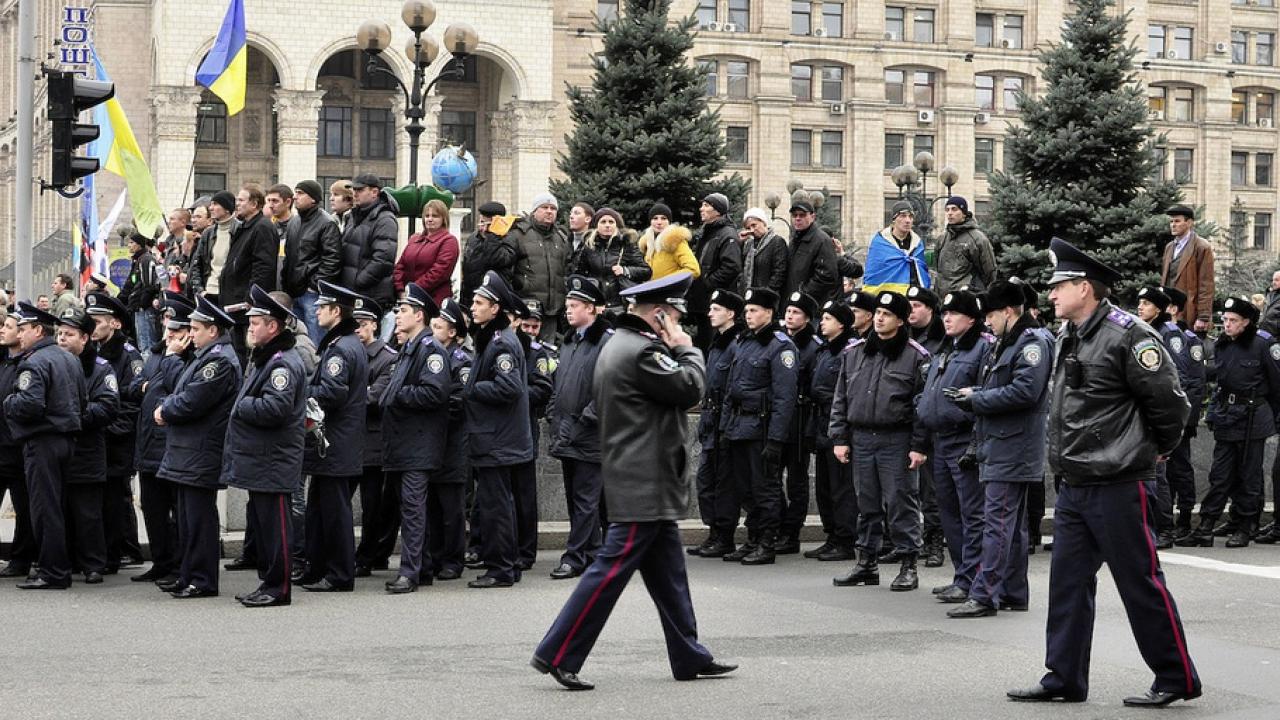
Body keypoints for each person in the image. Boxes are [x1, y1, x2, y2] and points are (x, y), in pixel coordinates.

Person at [1008, 237, 1198, 708]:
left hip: (1119, 481)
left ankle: (1177, 678)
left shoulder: (1129, 334)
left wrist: (1155, 450)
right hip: (1075, 483)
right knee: (1068, 584)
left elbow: (1171, 405)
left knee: (1140, 582)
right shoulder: (1070, 334)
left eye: (1058, 287)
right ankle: (1064, 678)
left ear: (1084, 287)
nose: (1050, 295)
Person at [531, 271, 737, 691]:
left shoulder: (621, 344)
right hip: (643, 479)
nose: (680, 324)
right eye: (676, 316)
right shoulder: (643, 351)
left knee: (669, 574)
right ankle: (557, 652)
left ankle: (688, 654)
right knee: (607, 572)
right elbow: (691, 387)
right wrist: (687, 348)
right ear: (659, 315)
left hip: (641, 476)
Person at [946, 280, 1052, 619]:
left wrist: (977, 399)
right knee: (1011, 525)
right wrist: (973, 392)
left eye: (990, 315)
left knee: (997, 524)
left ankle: (984, 594)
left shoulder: (1032, 342)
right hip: (1003, 443)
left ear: (1008, 311)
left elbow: (1025, 391)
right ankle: (1012, 591)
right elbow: (1000, 386)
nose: (986, 322)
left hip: (1013, 446)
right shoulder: (1008, 341)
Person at [830, 291, 929, 591]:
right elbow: (841, 399)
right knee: (867, 504)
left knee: (901, 502)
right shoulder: (855, 352)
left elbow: (922, 406)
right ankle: (866, 563)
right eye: (877, 313)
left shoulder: (916, 356)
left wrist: (919, 445)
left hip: (896, 439)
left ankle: (908, 563)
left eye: (887, 314)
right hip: (861, 438)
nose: (880, 318)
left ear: (900, 320)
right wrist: (840, 437)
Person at [222, 285, 308, 608]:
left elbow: (275, 409)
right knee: (266, 527)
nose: (250, 326)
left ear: (273, 326)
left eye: (256, 321)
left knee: (277, 529)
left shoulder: (283, 363)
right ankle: (268, 582)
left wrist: (242, 405)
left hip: (274, 459)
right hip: (262, 460)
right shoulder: (267, 358)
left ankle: (279, 588)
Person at [155, 294, 241, 599]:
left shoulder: (218, 361)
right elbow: (183, 390)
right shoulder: (205, 356)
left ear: (212, 330)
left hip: (200, 451)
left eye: (195, 328)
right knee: (187, 520)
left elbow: (193, 400)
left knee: (199, 520)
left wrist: (165, 409)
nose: (190, 333)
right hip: (188, 451)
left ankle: (201, 579)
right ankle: (188, 574)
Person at [1178, 295, 1280, 548]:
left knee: (1248, 476)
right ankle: (1206, 526)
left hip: (1253, 419)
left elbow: (1277, 385)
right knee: (1220, 475)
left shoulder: (1263, 344)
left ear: (1246, 322)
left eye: (1233, 320)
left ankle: (1245, 526)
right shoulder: (1222, 345)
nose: (1227, 325)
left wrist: (1273, 417)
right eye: (1225, 320)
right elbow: (1218, 379)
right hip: (1227, 416)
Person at [914, 290, 990, 602]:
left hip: (964, 441)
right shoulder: (949, 349)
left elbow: (984, 395)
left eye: (954, 313)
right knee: (949, 512)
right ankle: (961, 575)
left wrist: (974, 444)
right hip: (939, 441)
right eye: (944, 313)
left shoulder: (982, 348)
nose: (946, 318)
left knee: (971, 513)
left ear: (971, 318)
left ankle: (973, 578)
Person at [378, 283, 453, 593]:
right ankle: (420, 567)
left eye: (404, 310)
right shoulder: (410, 347)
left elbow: (436, 392)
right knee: (407, 507)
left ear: (419, 315)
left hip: (417, 445)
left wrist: (398, 394)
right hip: (403, 444)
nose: (398, 315)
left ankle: (410, 572)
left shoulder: (430, 349)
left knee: (413, 510)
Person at [5, 302, 86, 589]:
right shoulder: (69, 359)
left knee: (45, 508)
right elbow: (82, 401)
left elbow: (29, 404)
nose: (21, 335)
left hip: (42, 442)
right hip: (66, 440)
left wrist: (8, 401)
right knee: (56, 505)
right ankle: (57, 567)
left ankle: (53, 571)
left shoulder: (34, 362)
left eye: (24, 329)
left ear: (38, 330)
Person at [297, 282, 369, 593]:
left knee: (335, 513)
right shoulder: (341, 342)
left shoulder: (342, 347)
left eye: (322, 306)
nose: (315, 310)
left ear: (336, 312)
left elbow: (332, 393)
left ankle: (339, 573)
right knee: (318, 510)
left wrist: (302, 394)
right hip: (334, 444)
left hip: (337, 443)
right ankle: (317, 567)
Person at [465, 271, 534, 587]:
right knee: (498, 505)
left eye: (479, 303)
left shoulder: (501, 342)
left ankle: (502, 568)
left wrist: (472, 387)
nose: (473, 307)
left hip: (497, 440)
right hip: (493, 438)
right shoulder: (491, 338)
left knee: (497, 507)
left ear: (495, 308)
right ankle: (506, 565)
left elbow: (510, 388)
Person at [720, 287, 797, 566]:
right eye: (747, 310)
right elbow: (731, 388)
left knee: (765, 488)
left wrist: (776, 439)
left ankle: (767, 542)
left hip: (762, 428)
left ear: (769, 312)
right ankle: (752, 538)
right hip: (740, 426)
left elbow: (785, 397)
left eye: (754, 310)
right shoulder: (745, 341)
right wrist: (725, 428)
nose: (748, 315)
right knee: (745, 488)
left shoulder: (780, 346)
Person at [547, 276, 613, 579]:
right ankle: (593, 552)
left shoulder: (605, 341)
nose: (568, 311)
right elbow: (561, 383)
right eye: (568, 305)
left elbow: (608, 390)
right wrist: (553, 412)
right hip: (567, 430)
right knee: (578, 499)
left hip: (589, 434)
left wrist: (586, 418)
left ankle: (574, 557)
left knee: (586, 500)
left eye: (574, 306)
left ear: (591, 308)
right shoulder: (572, 340)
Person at [128, 292, 194, 586]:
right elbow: (133, 386)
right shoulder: (155, 353)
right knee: (153, 511)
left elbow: (177, 387)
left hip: (168, 446)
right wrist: (144, 385)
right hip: (147, 446)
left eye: (176, 330)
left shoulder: (183, 358)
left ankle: (179, 566)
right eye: (167, 327)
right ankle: (161, 562)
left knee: (175, 513)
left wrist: (173, 358)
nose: (169, 335)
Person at [1135, 287, 1205, 549]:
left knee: (1170, 472)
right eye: (1139, 302)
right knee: (1158, 473)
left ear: (1162, 309)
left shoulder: (1170, 334)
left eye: (1146, 303)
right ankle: (1159, 525)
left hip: (1169, 416)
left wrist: (1178, 420)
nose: (1140, 307)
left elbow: (1178, 380)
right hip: (1153, 414)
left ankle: (1172, 525)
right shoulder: (1147, 330)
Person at [56, 306, 120, 585]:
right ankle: (67, 561)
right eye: (59, 334)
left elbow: (108, 407)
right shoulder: (52, 363)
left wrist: (72, 416)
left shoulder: (100, 369)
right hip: (58, 452)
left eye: (68, 334)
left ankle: (94, 564)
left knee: (88, 514)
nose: (61, 339)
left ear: (85, 338)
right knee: (62, 511)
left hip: (86, 452)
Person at [85, 292, 145, 573]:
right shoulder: (95, 350)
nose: (92, 326)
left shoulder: (128, 355)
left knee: (117, 496)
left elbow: (131, 403)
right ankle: (118, 549)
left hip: (118, 437)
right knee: (107, 496)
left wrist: (111, 429)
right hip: (102, 435)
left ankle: (125, 550)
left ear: (115, 324)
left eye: (97, 322)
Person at [688, 289, 744, 559]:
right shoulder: (718, 342)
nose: (709, 313)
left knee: (724, 484)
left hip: (725, 422)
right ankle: (714, 532)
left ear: (730, 314)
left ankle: (725, 535)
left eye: (716, 309)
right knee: (706, 481)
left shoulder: (736, 344)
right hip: (711, 420)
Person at [805, 300, 859, 562]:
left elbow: (847, 393)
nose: (822, 322)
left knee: (841, 487)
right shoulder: (825, 350)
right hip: (822, 424)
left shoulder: (850, 351)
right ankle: (832, 536)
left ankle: (845, 539)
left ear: (841, 323)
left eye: (827, 318)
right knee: (825, 487)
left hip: (838, 426)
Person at [351, 297, 397, 578]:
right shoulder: (350, 354)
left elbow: (373, 399)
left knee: (373, 506)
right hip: (351, 441)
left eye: (362, 324)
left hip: (373, 443)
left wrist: (348, 396)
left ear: (374, 326)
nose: (357, 329)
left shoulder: (387, 358)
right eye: (353, 325)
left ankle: (369, 555)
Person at [510, 300, 555, 573]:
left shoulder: (536, 353)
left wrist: (514, 395)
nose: (528, 330)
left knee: (524, 493)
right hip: (503, 430)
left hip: (525, 427)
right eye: (524, 324)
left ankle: (525, 551)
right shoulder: (502, 344)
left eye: (533, 326)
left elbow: (543, 389)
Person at [429, 297, 472, 580]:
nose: (434, 330)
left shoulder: (461, 361)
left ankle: (453, 559)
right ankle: (435, 555)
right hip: (433, 442)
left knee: (451, 506)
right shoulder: (433, 356)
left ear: (453, 332)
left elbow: (461, 399)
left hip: (454, 441)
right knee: (433, 504)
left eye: (439, 326)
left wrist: (434, 407)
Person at [778, 292, 822, 554]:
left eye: (796, 312)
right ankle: (781, 523)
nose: (790, 316)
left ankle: (792, 530)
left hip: (801, 418)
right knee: (770, 476)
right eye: (788, 311)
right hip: (779, 417)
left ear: (806, 318)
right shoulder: (780, 342)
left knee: (796, 478)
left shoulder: (814, 346)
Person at [1161, 287, 1205, 544]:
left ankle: (1185, 518)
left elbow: (1195, 383)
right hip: (1167, 418)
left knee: (1181, 468)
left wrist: (1187, 420)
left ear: (1173, 309)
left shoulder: (1187, 339)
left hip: (1180, 417)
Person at [906, 285, 946, 567]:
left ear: (931, 310)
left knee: (932, 490)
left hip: (931, 424)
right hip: (905, 420)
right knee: (911, 489)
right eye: (908, 304)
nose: (911, 309)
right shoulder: (902, 338)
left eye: (917, 305)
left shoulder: (941, 341)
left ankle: (935, 542)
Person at [0, 310, 37, 579]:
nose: (3, 330)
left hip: (18, 449)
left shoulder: (29, 364)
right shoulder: (3, 361)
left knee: (25, 510)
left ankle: (21, 559)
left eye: (9, 326)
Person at [282, 179, 342, 342]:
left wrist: (314, 286)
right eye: (295, 193)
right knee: (299, 341)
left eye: (300, 193)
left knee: (315, 341)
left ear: (314, 199)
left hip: (312, 295)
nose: (295, 197)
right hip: (294, 293)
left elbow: (332, 260)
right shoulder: (294, 222)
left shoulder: (327, 223)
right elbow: (289, 256)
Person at [338, 174, 399, 335]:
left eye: (360, 189)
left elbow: (383, 260)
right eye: (353, 190)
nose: (355, 193)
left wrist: (358, 282)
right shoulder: (354, 216)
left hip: (370, 296)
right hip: (352, 296)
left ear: (374, 192)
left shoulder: (385, 219)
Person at [513, 193, 570, 343]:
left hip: (552, 309)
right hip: (526, 306)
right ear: (534, 211)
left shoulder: (561, 237)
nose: (549, 211)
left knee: (546, 354)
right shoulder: (519, 234)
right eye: (544, 207)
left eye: (553, 208)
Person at [572, 208, 651, 313]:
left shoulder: (627, 245)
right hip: (597, 305)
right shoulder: (588, 247)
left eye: (611, 222)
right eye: (603, 222)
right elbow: (579, 275)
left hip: (621, 305)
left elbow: (646, 271)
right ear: (596, 225)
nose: (607, 225)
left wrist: (625, 271)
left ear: (616, 225)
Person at [690, 193, 741, 349]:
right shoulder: (707, 232)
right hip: (703, 301)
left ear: (718, 210)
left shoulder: (727, 234)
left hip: (715, 301)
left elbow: (732, 266)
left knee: (713, 345)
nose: (701, 209)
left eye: (706, 205)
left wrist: (707, 283)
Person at [1160, 205, 1214, 333]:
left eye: (1177, 221)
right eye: (1171, 221)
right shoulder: (1169, 247)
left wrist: (1203, 317)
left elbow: (1206, 285)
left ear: (1189, 223)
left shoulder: (1202, 247)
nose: (1173, 225)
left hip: (1189, 312)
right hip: (1169, 312)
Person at [395, 199, 459, 307]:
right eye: (427, 215)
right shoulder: (414, 239)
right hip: (407, 300)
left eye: (435, 216)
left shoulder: (449, 241)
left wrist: (411, 290)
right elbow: (400, 266)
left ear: (444, 219)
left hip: (433, 302)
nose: (430, 219)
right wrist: (400, 289)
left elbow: (438, 273)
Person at [460, 201, 522, 305]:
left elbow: (497, 260)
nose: (481, 227)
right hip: (471, 298)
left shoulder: (509, 239)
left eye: (485, 224)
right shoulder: (473, 238)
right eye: (480, 222)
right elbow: (467, 271)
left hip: (493, 300)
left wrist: (493, 235)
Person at [933, 196, 997, 295]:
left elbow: (989, 271)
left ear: (964, 213)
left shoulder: (977, 239)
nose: (950, 213)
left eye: (954, 209)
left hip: (966, 299)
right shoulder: (942, 238)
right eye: (947, 210)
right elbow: (938, 268)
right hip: (943, 298)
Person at [863, 201, 929, 293]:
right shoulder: (880, 243)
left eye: (910, 216)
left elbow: (922, 272)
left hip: (911, 298)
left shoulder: (917, 244)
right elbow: (874, 272)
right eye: (903, 216)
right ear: (894, 219)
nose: (907, 220)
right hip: (885, 298)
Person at [783, 200, 838, 303]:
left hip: (810, 305)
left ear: (812, 217)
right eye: (794, 215)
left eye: (802, 215)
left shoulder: (822, 240)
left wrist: (803, 293)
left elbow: (827, 276)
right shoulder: (795, 239)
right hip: (794, 303)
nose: (798, 218)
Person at [118, 231, 162, 351]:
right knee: (143, 343)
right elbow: (132, 283)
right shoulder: (138, 260)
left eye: (132, 242)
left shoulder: (146, 259)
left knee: (147, 343)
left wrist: (142, 304)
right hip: (139, 308)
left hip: (145, 309)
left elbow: (149, 285)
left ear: (140, 244)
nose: (129, 245)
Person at [187, 191, 237, 299]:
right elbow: (197, 265)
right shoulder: (208, 233)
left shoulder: (240, 230)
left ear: (227, 208)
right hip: (208, 292)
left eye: (215, 204)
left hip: (230, 295)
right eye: (211, 204)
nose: (211, 208)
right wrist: (200, 291)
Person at [638, 203, 701, 281]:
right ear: (650, 221)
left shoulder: (675, 241)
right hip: (651, 292)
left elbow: (693, 270)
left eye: (663, 218)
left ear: (669, 222)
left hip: (672, 292)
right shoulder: (648, 244)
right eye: (655, 218)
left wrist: (666, 282)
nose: (659, 222)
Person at [737, 207, 787, 298]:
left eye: (754, 225)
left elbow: (779, 272)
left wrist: (766, 294)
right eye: (748, 228)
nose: (752, 230)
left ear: (763, 223)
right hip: (749, 296)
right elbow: (739, 267)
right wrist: (740, 243)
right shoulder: (749, 245)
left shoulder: (776, 242)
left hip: (767, 297)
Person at [1261, 270, 1280, 336]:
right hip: (1264, 333)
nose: (1273, 282)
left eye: (1277, 280)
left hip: (1276, 336)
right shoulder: (1270, 294)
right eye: (1273, 280)